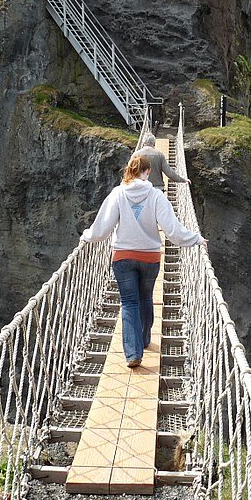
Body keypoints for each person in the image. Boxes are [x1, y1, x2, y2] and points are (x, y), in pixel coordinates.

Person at [80, 155, 206, 368]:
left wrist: (86, 235)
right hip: (149, 257)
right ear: (147, 172)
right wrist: (196, 239)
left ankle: (132, 353)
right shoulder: (156, 195)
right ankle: (145, 339)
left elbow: (101, 229)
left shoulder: (117, 194)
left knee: (129, 303)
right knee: (146, 297)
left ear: (130, 170)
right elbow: (173, 231)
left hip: (123, 257)